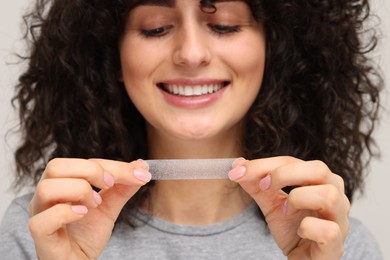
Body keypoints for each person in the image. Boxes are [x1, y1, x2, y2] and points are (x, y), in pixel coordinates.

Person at [0, 0, 384, 259]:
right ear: (110, 55)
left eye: (224, 25)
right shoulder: (44, 231)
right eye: (155, 28)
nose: (191, 54)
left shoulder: (333, 241)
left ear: (275, 49)